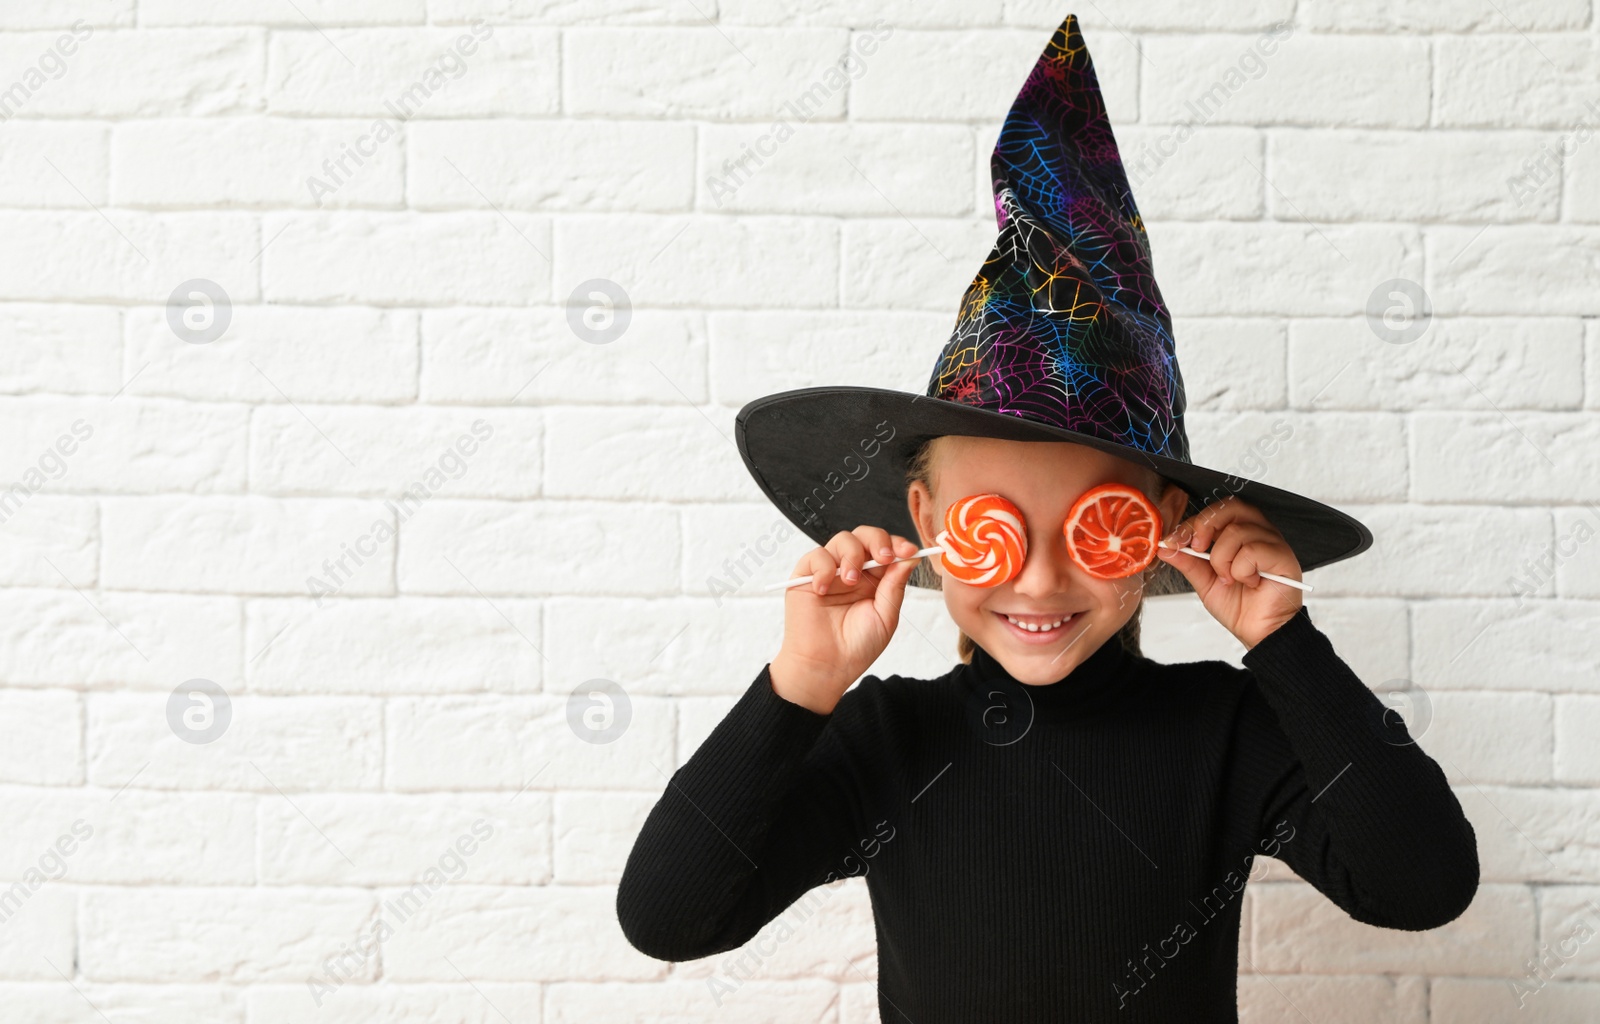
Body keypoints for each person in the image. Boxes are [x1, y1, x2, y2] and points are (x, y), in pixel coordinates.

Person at [617, 13, 1479, 1021]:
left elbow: (1422, 884)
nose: (1034, 581)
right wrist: (799, 686)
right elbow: (671, 916)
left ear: (1160, 525)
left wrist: (1284, 642)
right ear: (923, 514)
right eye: (996, 525)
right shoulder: (887, 741)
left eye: (1088, 525)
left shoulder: (1225, 731)